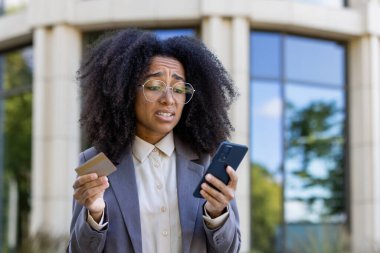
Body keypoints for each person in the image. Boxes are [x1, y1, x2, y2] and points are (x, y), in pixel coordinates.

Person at [68, 28, 241, 253]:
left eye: (179, 89)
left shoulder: (208, 162)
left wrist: (218, 214)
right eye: (154, 87)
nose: (169, 100)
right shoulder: (97, 162)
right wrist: (94, 214)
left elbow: (232, 250)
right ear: (126, 92)